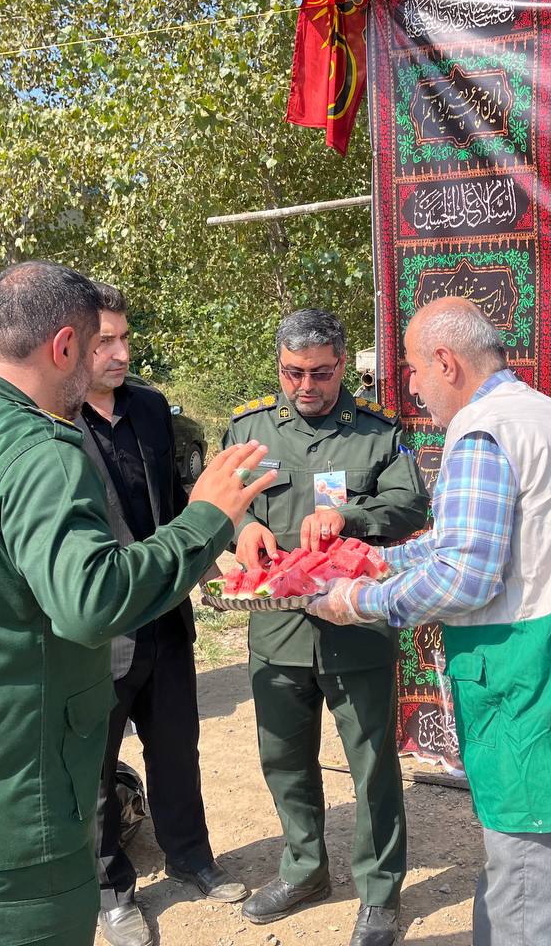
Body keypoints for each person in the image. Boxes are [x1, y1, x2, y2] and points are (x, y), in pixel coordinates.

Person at [0, 261, 277, 946]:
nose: (103, 364)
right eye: (94, 346)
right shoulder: (35, 448)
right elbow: (89, 602)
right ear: (64, 346)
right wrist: (205, 520)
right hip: (14, 803)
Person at [310, 297, 551, 946]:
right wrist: (383, 560)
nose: (412, 388)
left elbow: (464, 577)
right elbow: (472, 542)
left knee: (531, 920)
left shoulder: (482, 433)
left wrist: (354, 601)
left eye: (415, 371)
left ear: (445, 362)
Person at [223, 309, 428, 946]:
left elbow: (412, 502)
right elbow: (221, 496)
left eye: (319, 372)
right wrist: (241, 525)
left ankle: (379, 893)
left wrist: (352, 518)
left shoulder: (376, 433)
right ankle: (305, 868)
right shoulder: (251, 427)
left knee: (370, 766)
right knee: (284, 757)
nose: (304, 385)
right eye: (292, 372)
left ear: (343, 366)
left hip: (355, 626)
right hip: (278, 627)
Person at [76, 283, 246, 946]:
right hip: (100, 626)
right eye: (105, 343)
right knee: (95, 763)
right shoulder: (52, 421)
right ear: (71, 346)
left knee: (177, 745)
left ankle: (191, 855)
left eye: (124, 338)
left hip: (165, 612)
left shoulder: (148, 408)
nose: (121, 353)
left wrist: (208, 561)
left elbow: (176, 501)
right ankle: (111, 889)